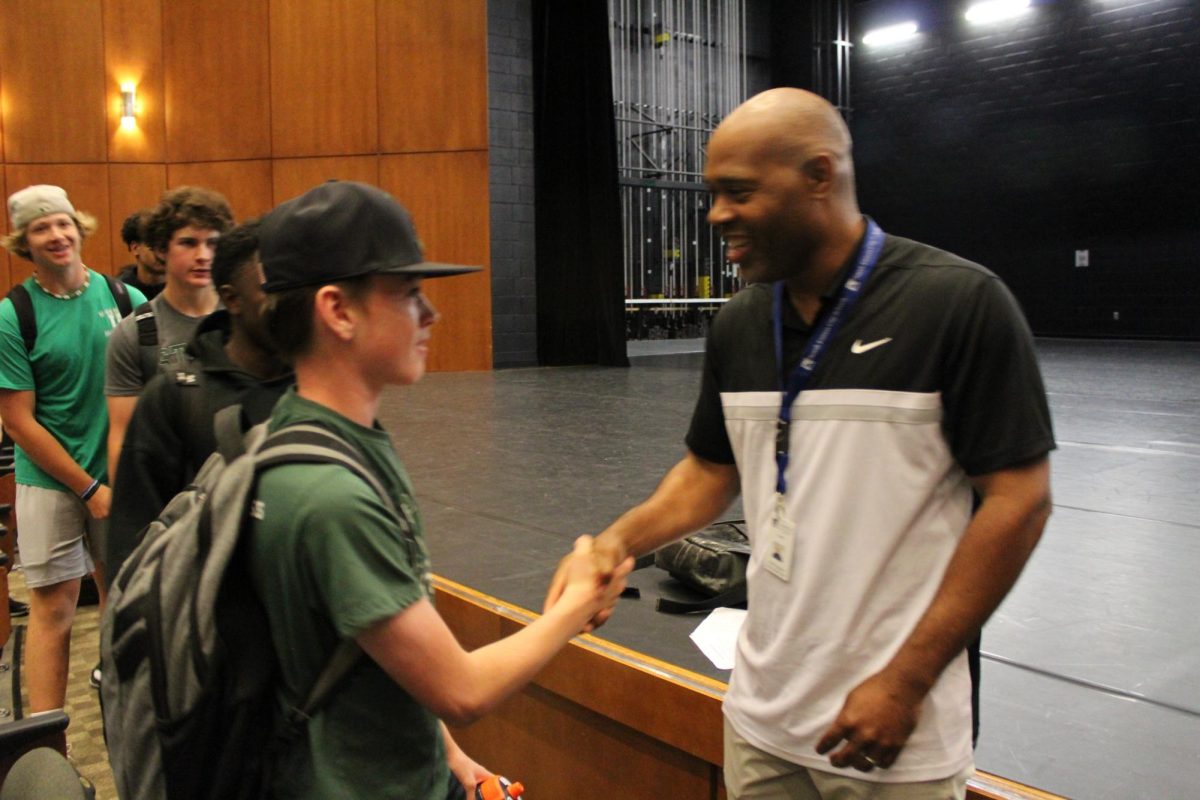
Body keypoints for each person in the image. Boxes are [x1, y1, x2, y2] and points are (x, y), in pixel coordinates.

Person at [547, 88, 1055, 800]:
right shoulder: (743, 323)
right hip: (761, 722)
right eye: (713, 193)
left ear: (820, 176)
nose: (717, 213)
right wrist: (614, 542)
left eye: (739, 192)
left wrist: (906, 682)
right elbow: (708, 472)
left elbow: (1020, 501)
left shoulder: (958, 305)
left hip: (893, 735)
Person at [247, 181, 633, 799]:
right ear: (337, 311)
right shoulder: (330, 495)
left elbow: (373, 655)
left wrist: (450, 759)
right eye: (407, 294)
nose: (431, 314)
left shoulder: (309, 438)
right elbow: (463, 689)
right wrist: (577, 606)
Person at [0, 185, 146, 716]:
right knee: (53, 608)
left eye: (63, 224)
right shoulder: (13, 316)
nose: (56, 236)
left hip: (118, 478)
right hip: (50, 482)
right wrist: (87, 488)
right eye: (42, 229)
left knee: (122, 596)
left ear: (78, 228)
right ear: (25, 243)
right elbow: (18, 421)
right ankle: (48, 744)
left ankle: (123, 720)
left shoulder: (126, 301)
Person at [106, 219, 293, 585]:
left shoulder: (316, 386)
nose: (286, 302)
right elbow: (132, 542)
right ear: (233, 298)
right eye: (272, 288)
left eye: (294, 286)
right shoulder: (176, 396)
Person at [105, 186, 232, 480]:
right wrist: (128, 518)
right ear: (162, 249)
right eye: (188, 243)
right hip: (170, 498)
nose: (203, 256)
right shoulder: (133, 333)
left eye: (212, 243)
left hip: (236, 491)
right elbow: (122, 437)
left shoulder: (244, 318)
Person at [116, 209, 165, 300]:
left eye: (165, 244)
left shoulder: (183, 288)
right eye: (153, 245)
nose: (161, 252)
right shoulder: (119, 293)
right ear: (135, 248)